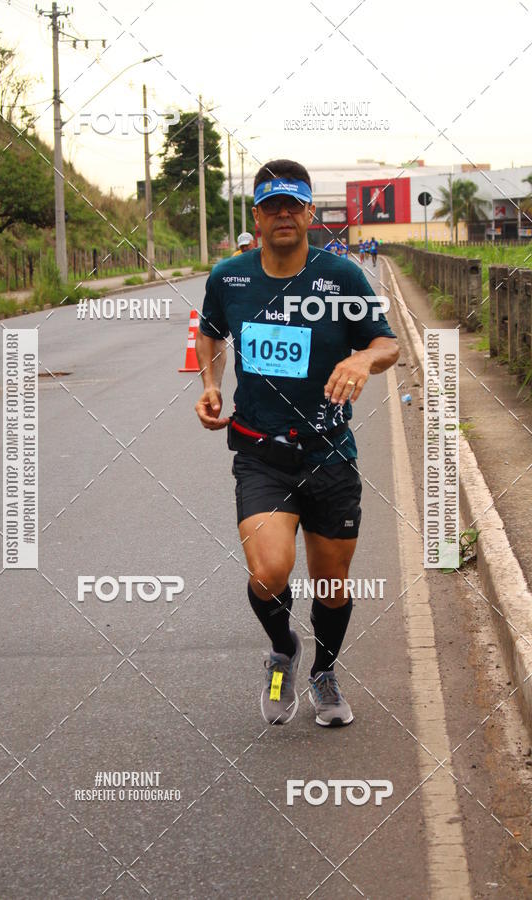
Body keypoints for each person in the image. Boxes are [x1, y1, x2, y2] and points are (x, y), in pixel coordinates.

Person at [194, 159, 399, 728]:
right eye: (271, 205)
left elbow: (388, 345)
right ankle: (283, 649)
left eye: (293, 204)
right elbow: (210, 333)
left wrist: (361, 357)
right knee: (269, 572)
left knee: (331, 584)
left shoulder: (341, 278)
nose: (283, 214)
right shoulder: (229, 278)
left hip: (330, 451)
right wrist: (211, 384)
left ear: (310, 212)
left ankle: (325, 673)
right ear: (255, 216)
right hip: (261, 453)